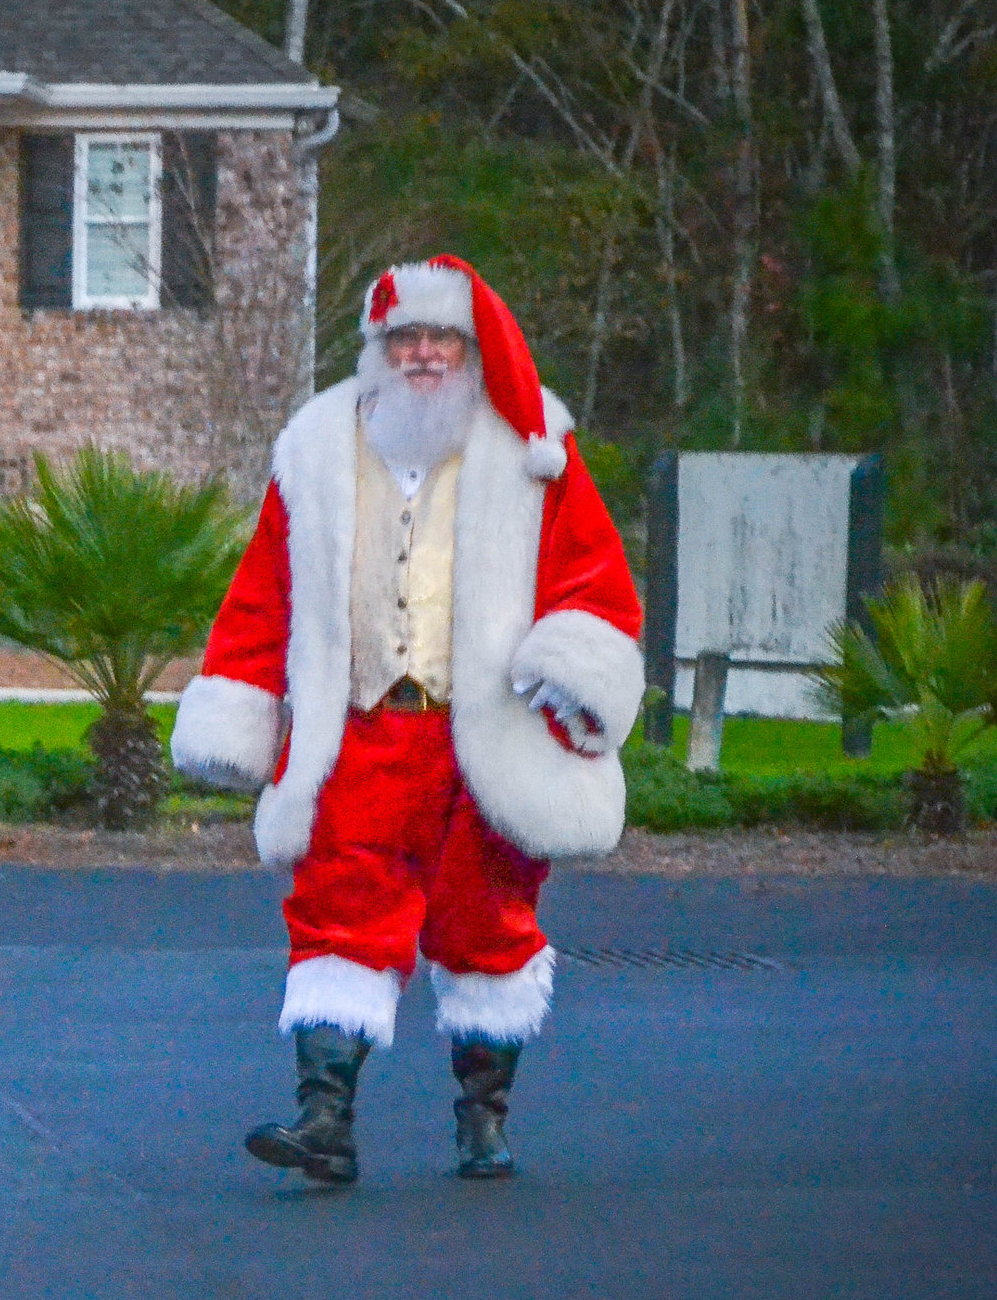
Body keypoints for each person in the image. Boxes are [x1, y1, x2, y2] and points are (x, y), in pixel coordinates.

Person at [170, 256, 643, 1185]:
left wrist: (573, 664)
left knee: (487, 923)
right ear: (377, 350)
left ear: (470, 349)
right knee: (335, 918)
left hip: (484, 734)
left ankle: (484, 1117)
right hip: (360, 729)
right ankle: (325, 1123)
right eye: (405, 339)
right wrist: (238, 702)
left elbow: (591, 572)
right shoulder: (315, 447)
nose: (423, 354)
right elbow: (266, 589)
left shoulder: (532, 443)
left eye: (441, 339)